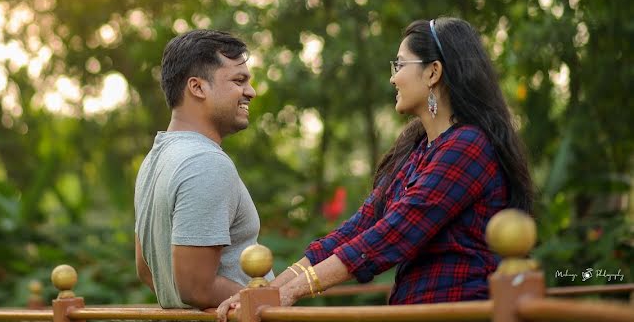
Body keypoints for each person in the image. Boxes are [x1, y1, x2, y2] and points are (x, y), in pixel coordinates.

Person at [217, 17, 535, 317]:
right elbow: (359, 228)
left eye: (400, 64)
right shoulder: (419, 150)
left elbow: (393, 234)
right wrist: (266, 293)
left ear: (433, 72)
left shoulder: (468, 146)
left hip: (460, 312)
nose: (393, 77)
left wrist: (293, 292)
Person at [135, 29, 272, 309]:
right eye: (238, 80)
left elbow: (147, 270)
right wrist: (270, 302)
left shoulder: (155, 160)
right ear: (197, 88)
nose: (251, 91)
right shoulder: (204, 162)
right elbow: (196, 288)